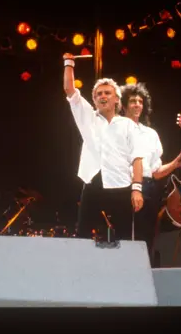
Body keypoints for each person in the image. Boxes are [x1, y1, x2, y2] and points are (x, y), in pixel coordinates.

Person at [62, 53, 147, 243]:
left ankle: (124, 271)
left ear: (117, 99)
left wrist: (137, 189)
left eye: (107, 93)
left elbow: (137, 159)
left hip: (122, 184)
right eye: (98, 94)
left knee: (124, 238)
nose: (102, 96)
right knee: (83, 235)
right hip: (93, 180)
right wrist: (69, 63)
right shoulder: (88, 118)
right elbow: (69, 89)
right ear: (93, 100)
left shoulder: (128, 125)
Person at [119, 82, 181, 262]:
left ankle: (145, 272)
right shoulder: (117, 128)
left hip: (149, 188)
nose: (137, 104)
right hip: (124, 186)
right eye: (132, 101)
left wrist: (176, 163)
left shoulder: (150, 134)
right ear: (123, 104)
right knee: (124, 234)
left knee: (147, 235)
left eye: (140, 101)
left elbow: (156, 172)